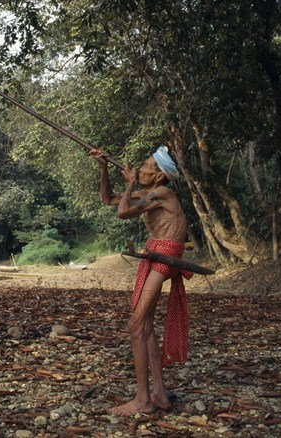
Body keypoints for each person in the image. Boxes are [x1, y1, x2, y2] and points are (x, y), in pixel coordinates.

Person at [91, 146, 193, 416]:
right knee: (144, 325)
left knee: (136, 325)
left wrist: (131, 183)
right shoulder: (151, 194)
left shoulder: (162, 192)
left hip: (165, 256)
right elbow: (108, 200)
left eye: (147, 166)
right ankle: (158, 394)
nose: (142, 168)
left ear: (159, 176)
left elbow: (123, 212)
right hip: (156, 254)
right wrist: (103, 167)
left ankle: (142, 400)